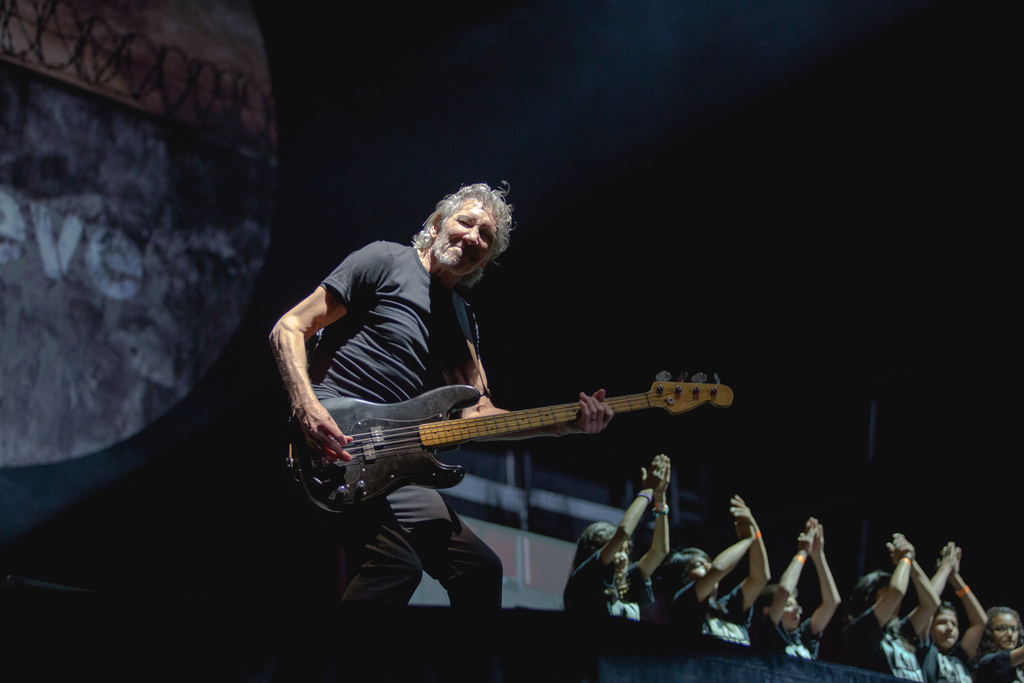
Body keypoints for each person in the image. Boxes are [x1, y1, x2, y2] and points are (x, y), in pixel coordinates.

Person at [269, 182, 614, 606]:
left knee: (479, 570)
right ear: (436, 225)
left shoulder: (462, 319)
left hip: (395, 457)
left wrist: (565, 424)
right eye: (465, 222)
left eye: (484, 236)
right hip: (332, 439)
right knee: (395, 565)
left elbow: (475, 416)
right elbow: (289, 327)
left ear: (485, 259)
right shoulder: (384, 259)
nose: (472, 237)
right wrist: (307, 407)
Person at [563, 454, 671, 621]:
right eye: (617, 549)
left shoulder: (628, 584)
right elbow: (623, 533)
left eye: (626, 551)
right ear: (595, 551)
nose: (623, 557)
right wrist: (647, 490)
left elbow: (660, 551)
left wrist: (659, 498)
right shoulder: (583, 581)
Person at [662, 495, 771, 646]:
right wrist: (747, 539)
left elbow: (760, 578)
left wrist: (755, 531)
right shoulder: (682, 605)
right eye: (700, 565)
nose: (708, 567)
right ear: (684, 578)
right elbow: (718, 568)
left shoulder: (729, 607)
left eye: (709, 563)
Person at [843, 533, 941, 680]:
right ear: (869, 597)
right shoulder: (861, 629)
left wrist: (912, 563)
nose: (897, 602)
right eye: (885, 595)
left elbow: (931, 604)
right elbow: (897, 591)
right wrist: (906, 558)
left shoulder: (900, 630)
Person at [752, 518, 841, 660]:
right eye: (788, 605)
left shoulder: (805, 635)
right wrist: (802, 553)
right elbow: (784, 591)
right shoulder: (769, 634)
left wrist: (818, 555)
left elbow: (832, 603)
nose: (796, 610)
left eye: (795, 605)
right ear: (767, 611)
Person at [918, 543, 985, 683]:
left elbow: (980, 621)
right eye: (942, 622)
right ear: (929, 625)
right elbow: (928, 603)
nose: (950, 628)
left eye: (954, 624)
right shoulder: (925, 651)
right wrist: (945, 569)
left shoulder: (960, 658)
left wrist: (955, 579)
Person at [974, 606, 1024, 683]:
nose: (1010, 634)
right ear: (989, 632)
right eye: (1002, 628)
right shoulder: (987, 662)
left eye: (1014, 629)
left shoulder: (1020, 665)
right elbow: (1004, 659)